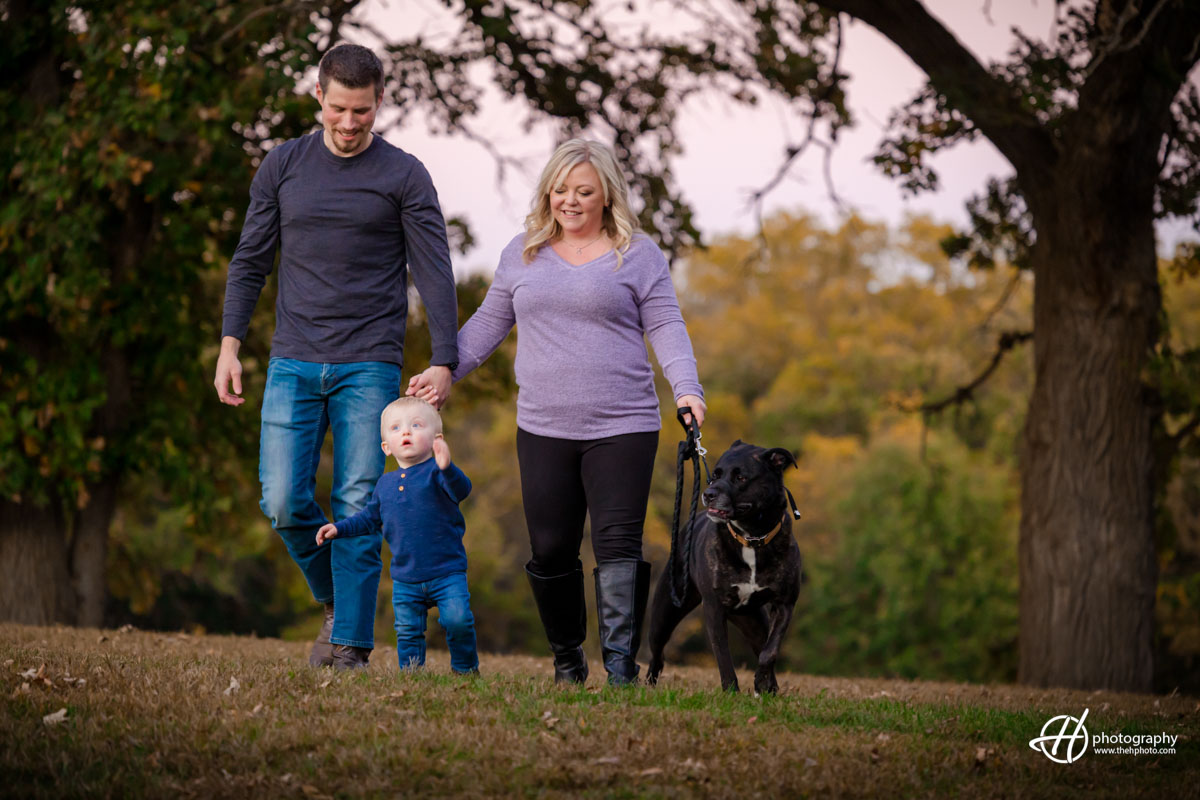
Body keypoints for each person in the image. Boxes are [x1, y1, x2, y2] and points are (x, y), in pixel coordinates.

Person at [408, 139, 705, 686]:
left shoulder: (637, 253)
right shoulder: (523, 252)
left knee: (618, 545)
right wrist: (445, 367)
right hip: (543, 425)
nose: (570, 201)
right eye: (562, 189)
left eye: (584, 191)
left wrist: (687, 388)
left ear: (607, 195)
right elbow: (490, 321)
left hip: (625, 424)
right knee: (549, 548)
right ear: (548, 190)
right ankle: (568, 661)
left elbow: (666, 325)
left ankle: (619, 670)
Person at [214, 44, 460, 671]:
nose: (351, 124)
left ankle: (349, 645)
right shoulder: (283, 165)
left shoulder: (405, 175)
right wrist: (230, 345)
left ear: (380, 101)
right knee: (281, 500)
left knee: (358, 500)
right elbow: (250, 259)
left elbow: (434, 270)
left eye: (364, 112)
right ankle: (336, 603)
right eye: (340, 109)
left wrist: (444, 358)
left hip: (369, 363)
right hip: (293, 360)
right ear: (318, 96)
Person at [315, 398, 478, 674]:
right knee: (407, 632)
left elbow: (462, 490)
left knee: (458, 621)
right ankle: (411, 677)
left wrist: (447, 465)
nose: (406, 432)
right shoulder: (385, 485)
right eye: (396, 428)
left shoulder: (439, 474)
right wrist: (339, 528)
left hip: (447, 572)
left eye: (416, 425)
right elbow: (369, 519)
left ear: (436, 439)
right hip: (405, 578)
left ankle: (465, 670)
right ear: (386, 447)